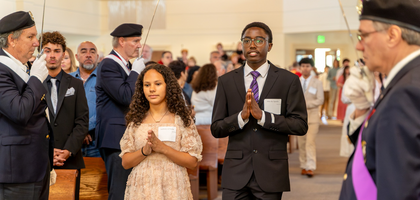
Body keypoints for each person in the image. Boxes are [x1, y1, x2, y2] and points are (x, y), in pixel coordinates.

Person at [211, 22, 308, 199]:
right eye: (247, 40)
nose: (252, 44)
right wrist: (241, 117)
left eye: (259, 40)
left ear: (269, 45)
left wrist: (263, 116)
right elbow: (216, 128)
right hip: (235, 173)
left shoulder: (288, 81)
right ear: (242, 45)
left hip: (270, 172)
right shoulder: (226, 82)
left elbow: (300, 125)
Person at [339, 0, 420, 199]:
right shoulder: (407, 79)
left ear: (392, 35)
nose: (358, 45)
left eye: (364, 35)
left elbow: (400, 190)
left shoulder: (405, 92)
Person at [120, 64, 202, 200]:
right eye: (147, 85)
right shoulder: (136, 120)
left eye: (157, 84)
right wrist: (144, 151)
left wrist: (163, 148)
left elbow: (192, 162)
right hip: (142, 186)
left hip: (173, 186)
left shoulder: (181, 119)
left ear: (167, 86)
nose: (152, 89)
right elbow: (126, 162)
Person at [0, 11, 51, 200]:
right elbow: (19, 111)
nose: (37, 43)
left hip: (35, 165)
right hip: (17, 171)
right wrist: (36, 78)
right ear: (12, 40)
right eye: (30, 37)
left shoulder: (21, 67)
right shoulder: (2, 68)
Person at [95, 23, 146, 200]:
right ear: (122, 41)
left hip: (124, 137)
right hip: (115, 138)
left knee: (128, 192)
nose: (140, 45)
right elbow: (125, 96)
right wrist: (136, 73)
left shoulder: (124, 65)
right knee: (118, 193)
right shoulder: (109, 64)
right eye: (136, 41)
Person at [41, 31, 89, 200]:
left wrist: (68, 150)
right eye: (47, 50)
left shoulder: (75, 84)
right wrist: (47, 151)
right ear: (41, 53)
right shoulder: (32, 84)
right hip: (40, 159)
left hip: (70, 157)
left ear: (63, 54)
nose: (52, 55)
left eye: (56, 50)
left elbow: (82, 121)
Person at [70, 41, 101, 157]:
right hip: (71, 142)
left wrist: (84, 129)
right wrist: (78, 132)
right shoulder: (68, 79)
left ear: (97, 57)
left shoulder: (104, 80)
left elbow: (104, 108)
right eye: (84, 51)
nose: (88, 55)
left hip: (96, 142)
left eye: (92, 52)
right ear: (77, 57)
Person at [297, 58, 324, 177]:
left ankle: (310, 167)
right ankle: (303, 165)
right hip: (298, 118)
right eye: (303, 66)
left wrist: (306, 105)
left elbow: (320, 99)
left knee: (310, 142)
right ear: (300, 68)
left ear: (311, 68)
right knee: (301, 143)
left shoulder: (317, 82)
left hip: (312, 117)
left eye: (307, 66)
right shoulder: (296, 81)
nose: (305, 68)